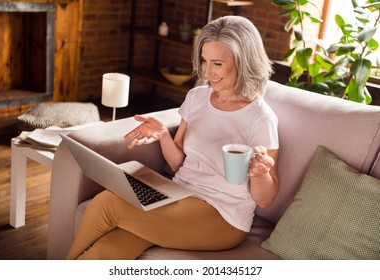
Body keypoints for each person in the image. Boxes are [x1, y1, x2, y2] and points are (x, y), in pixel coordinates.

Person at [66, 15, 279, 260]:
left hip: (224, 217)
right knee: (105, 252)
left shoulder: (260, 118)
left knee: (107, 203)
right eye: (204, 61)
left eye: (217, 64)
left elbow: (265, 199)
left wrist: (261, 173)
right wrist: (164, 136)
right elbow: (179, 165)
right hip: (179, 194)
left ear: (244, 62)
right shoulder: (197, 97)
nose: (207, 72)